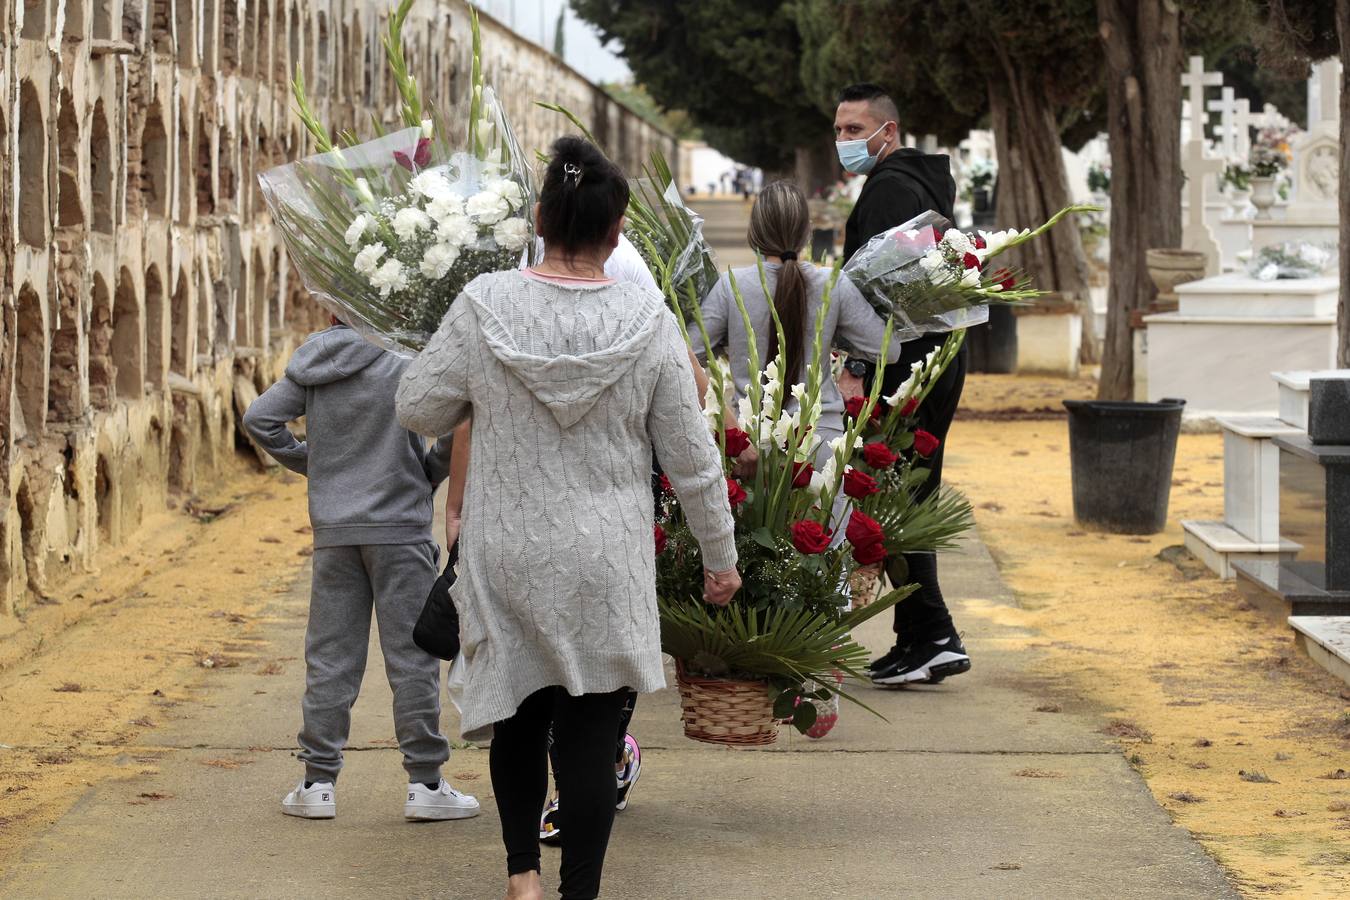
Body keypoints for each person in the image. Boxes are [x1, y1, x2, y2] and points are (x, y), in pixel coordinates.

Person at [396, 136, 741, 900]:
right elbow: (691, 459)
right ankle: (577, 892)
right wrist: (721, 557)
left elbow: (417, 404)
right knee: (591, 738)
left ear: (539, 218)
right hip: (607, 561)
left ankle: (522, 875)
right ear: (617, 233)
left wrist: (481, 392)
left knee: (518, 717)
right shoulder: (648, 318)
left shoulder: (485, 304)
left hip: (506, 548)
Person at [242, 318, 479, 823]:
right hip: (400, 532)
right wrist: (425, 474)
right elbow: (453, 427)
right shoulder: (407, 358)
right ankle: (425, 784)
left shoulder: (314, 361)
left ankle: (317, 784)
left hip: (335, 532)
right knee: (412, 659)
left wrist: (321, 465)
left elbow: (260, 419)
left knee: (330, 658)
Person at [833, 82, 973, 687]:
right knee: (901, 497)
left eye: (855, 130)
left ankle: (933, 632)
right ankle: (923, 635)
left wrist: (857, 367)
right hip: (927, 360)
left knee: (896, 497)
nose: (844, 141)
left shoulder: (890, 190)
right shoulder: (910, 182)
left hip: (907, 367)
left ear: (887, 131)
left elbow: (883, 296)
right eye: (838, 130)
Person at [697, 180, 902, 476]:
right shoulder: (833, 283)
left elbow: (686, 350)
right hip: (821, 439)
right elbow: (888, 349)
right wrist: (836, 337)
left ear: (753, 232)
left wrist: (726, 343)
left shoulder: (732, 287)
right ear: (807, 231)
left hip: (752, 442)